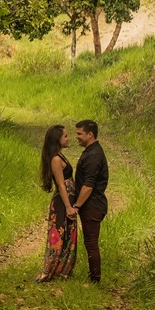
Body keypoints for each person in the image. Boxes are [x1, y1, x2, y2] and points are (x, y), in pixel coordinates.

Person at [34, 124, 78, 283]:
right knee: (58, 235)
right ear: (57, 140)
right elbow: (60, 184)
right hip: (62, 202)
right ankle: (51, 269)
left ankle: (63, 269)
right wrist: (67, 206)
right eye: (65, 136)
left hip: (68, 200)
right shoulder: (55, 159)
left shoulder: (60, 156)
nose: (68, 138)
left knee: (68, 234)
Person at [72, 118, 110, 284]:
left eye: (79, 134)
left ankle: (95, 279)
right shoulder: (91, 151)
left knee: (91, 243)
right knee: (90, 242)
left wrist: (76, 206)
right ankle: (93, 276)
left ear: (90, 134)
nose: (77, 137)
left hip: (92, 206)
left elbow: (88, 186)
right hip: (91, 205)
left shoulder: (94, 155)